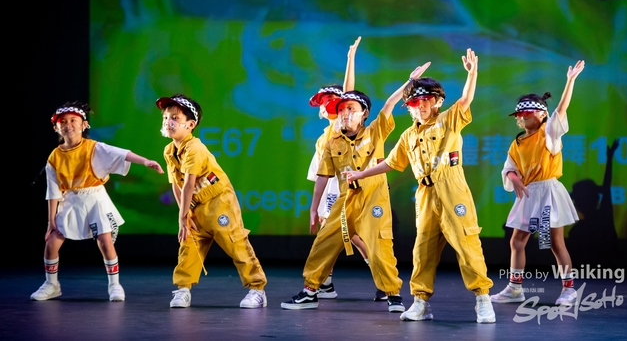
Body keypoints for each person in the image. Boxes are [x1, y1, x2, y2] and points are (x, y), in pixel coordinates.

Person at [344, 49, 496, 324]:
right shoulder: (408, 136)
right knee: (422, 249)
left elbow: (465, 100)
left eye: (426, 100)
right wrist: (361, 173)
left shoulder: (448, 120)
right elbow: (391, 163)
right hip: (425, 195)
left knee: (466, 243)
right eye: (414, 102)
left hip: (452, 189)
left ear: (437, 102)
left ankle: (483, 299)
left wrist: (472, 74)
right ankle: (420, 302)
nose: (420, 106)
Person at [281, 62, 431, 312]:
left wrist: (409, 82)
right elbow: (322, 176)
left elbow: (389, 105)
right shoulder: (332, 142)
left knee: (379, 246)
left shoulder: (375, 132)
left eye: (351, 109)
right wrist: (313, 208)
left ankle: (393, 294)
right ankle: (310, 292)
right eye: (341, 109)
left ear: (364, 114)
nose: (345, 113)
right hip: (345, 201)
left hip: (374, 199)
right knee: (323, 243)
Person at [31, 101, 164, 302]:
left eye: (73, 120)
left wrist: (145, 161)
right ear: (56, 128)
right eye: (63, 122)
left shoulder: (94, 148)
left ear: (84, 125)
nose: (68, 125)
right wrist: (51, 222)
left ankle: (115, 285)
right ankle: (52, 285)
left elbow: (121, 153)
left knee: (105, 242)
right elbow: (53, 191)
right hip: (71, 201)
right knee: (51, 243)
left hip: (95, 199)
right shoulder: (54, 157)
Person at [157, 94, 268, 309]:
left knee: (234, 242)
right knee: (189, 243)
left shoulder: (195, 148)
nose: (168, 122)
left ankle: (257, 289)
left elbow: (189, 184)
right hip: (194, 205)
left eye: (175, 118)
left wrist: (181, 217)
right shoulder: (169, 151)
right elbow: (177, 185)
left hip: (218, 201)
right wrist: (185, 216)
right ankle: (183, 289)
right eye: (165, 117)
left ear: (190, 125)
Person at [490, 60, 585, 306]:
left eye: (527, 113)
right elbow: (509, 169)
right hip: (530, 194)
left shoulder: (549, 134)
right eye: (519, 115)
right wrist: (515, 180)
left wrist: (570, 81)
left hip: (548, 191)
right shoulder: (518, 143)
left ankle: (569, 289)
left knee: (555, 242)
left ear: (542, 114)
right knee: (517, 241)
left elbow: (561, 110)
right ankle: (515, 289)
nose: (522, 118)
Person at [307, 36, 382, 300]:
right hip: (329, 187)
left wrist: (350, 59)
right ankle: (326, 283)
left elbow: (349, 89)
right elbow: (320, 172)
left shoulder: (341, 126)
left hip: (343, 188)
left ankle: (383, 281)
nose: (325, 105)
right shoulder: (326, 134)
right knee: (335, 235)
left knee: (351, 236)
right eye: (323, 101)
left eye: (330, 100)